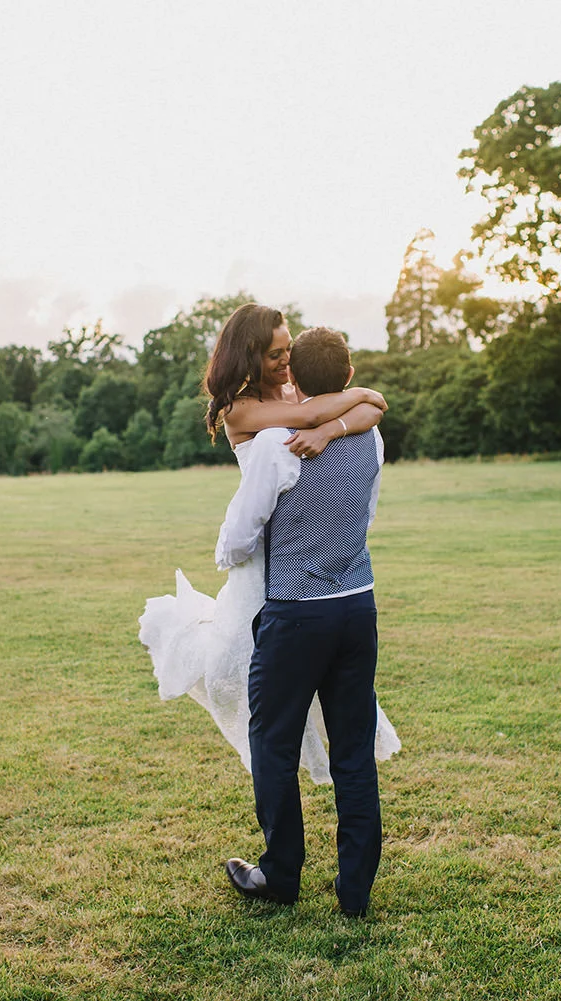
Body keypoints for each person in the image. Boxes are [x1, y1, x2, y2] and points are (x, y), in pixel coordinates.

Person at [138, 304, 400, 789]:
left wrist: (330, 428)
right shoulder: (242, 408)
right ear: (250, 355)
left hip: (295, 559)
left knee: (301, 690)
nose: (285, 363)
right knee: (249, 687)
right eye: (276, 355)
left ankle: (287, 835)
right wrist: (353, 397)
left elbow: (360, 409)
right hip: (267, 555)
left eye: (288, 352)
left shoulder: (287, 394)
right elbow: (327, 408)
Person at [216, 325, 388, 918]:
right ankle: (355, 890)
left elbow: (239, 537)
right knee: (353, 752)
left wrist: (235, 559)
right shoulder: (372, 439)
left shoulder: (274, 445)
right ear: (344, 378)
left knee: (273, 740)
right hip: (357, 606)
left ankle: (281, 873)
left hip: (293, 612)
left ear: (296, 378)